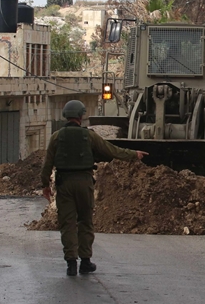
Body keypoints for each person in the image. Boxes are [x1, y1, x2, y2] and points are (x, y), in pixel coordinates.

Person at [40, 100, 148, 276]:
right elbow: (111, 150)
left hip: (64, 183)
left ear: (66, 116)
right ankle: (85, 262)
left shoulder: (56, 137)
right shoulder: (89, 136)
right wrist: (133, 154)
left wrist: (45, 184)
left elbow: (47, 164)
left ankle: (71, 264)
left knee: (68, 223)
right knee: (85, 221)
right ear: (80, 116)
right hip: (84, 182)